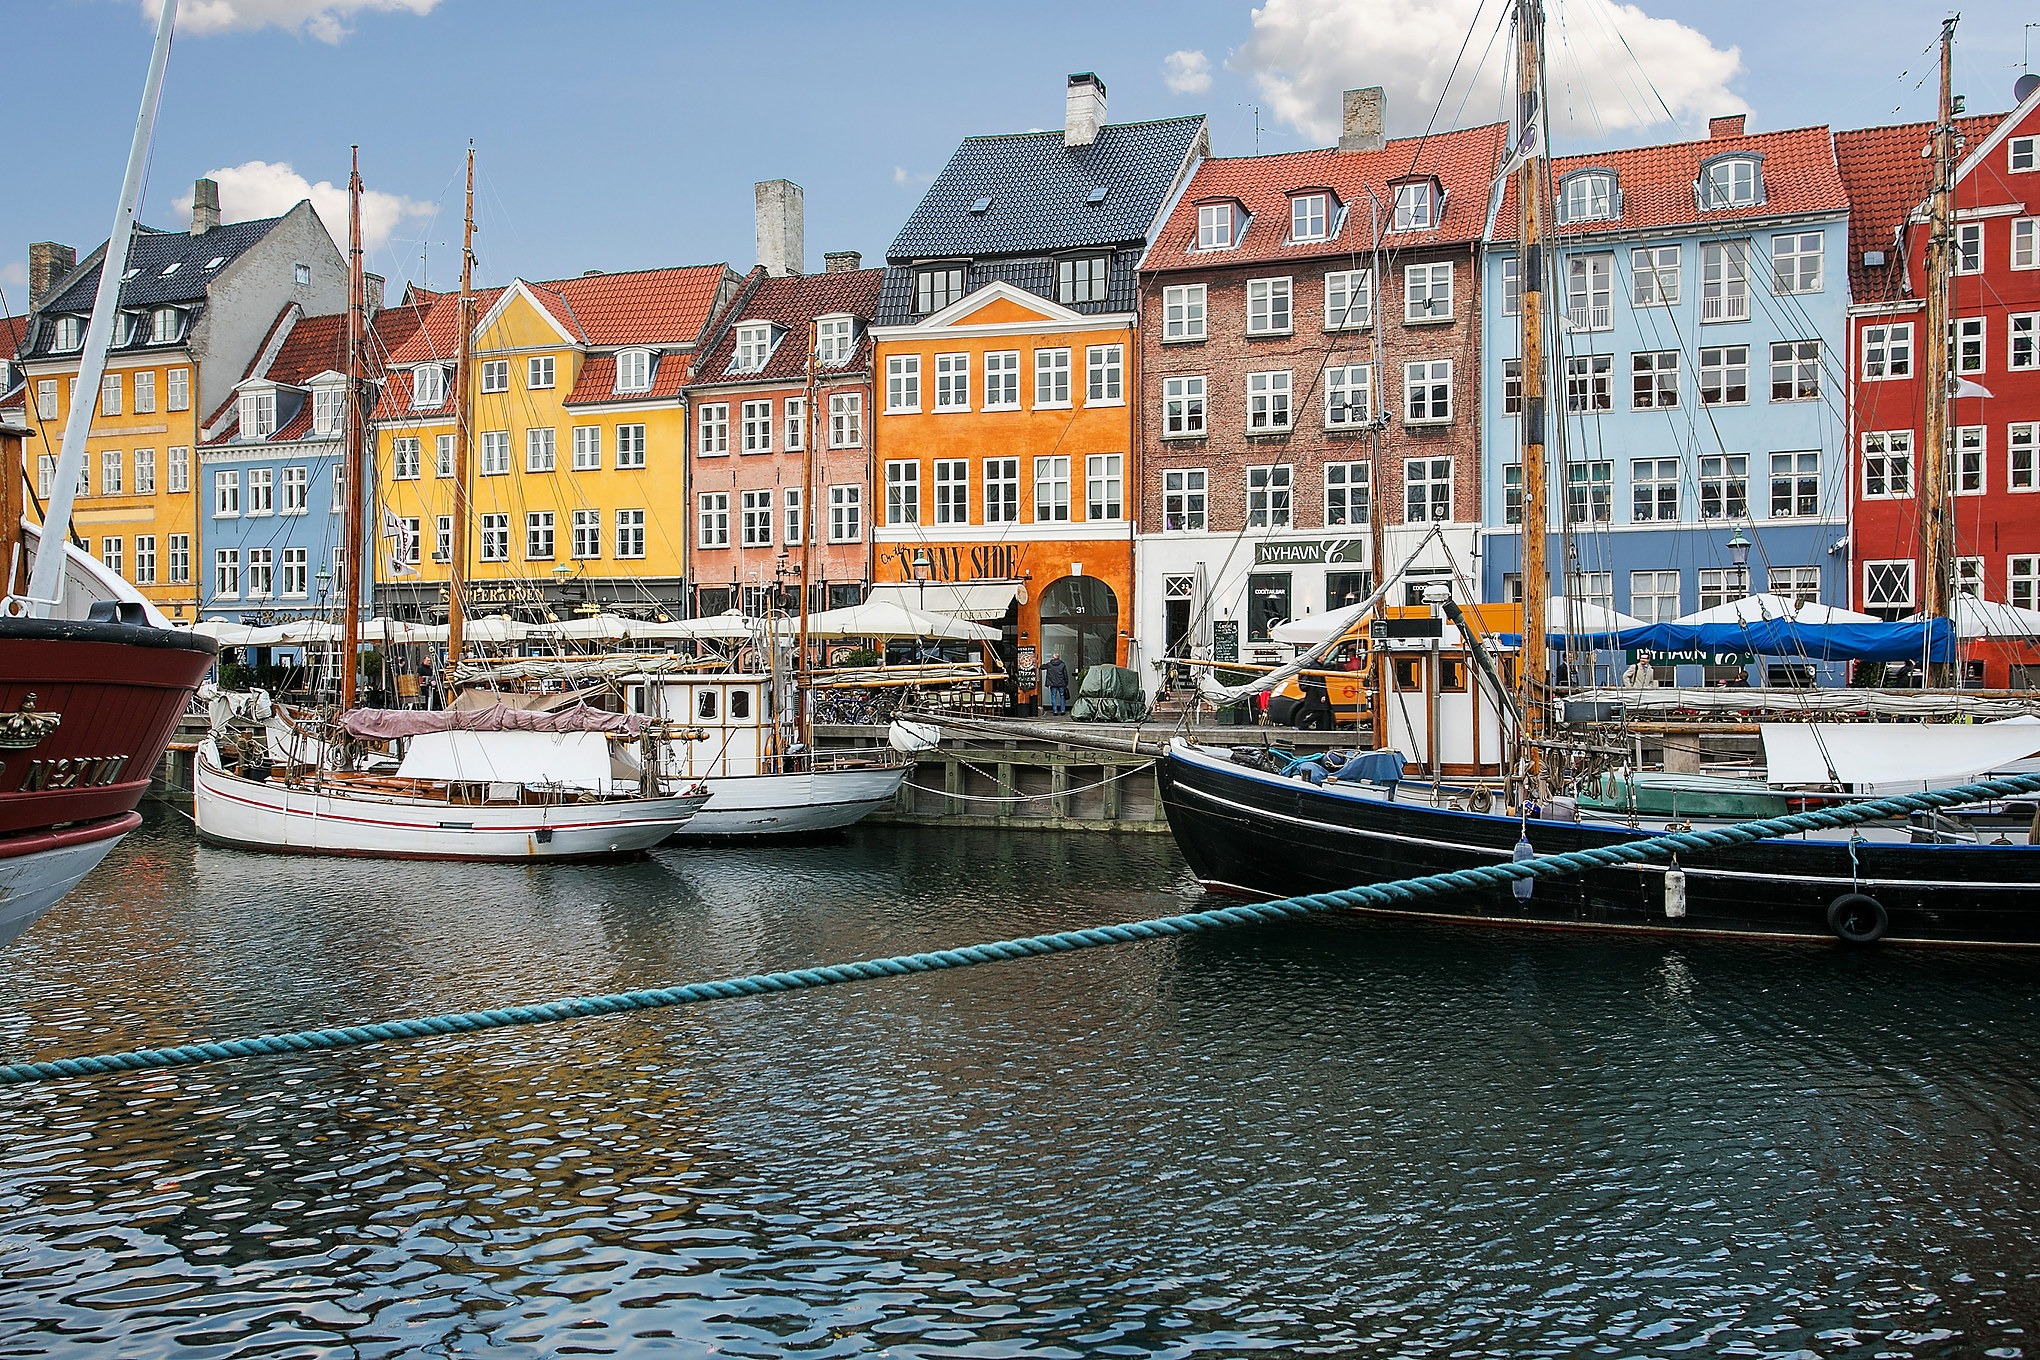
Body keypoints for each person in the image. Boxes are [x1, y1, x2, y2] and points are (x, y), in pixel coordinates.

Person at [1043, 652, 1070, 716]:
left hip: (1053, 684)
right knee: (1062, 697)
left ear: (1053, 658)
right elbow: (1065, 674)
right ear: (1059, 658)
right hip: (1061, 683)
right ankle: (1062, 710)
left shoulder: (1049, 664)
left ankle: (1055, 711)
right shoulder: (1062, 664)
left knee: (1053, 697)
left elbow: (1042, 667)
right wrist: (1066, 682)